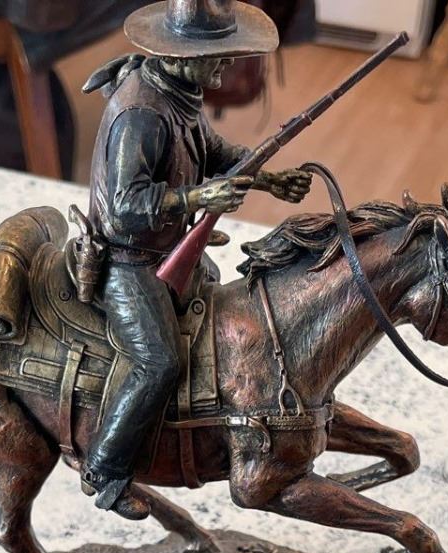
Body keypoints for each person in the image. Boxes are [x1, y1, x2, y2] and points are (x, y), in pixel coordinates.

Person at [80, 0, 313, 513]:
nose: (227, 63)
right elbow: (124, 206)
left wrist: (268, 178)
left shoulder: (177, 93)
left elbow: (212, 151)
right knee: (158, 362)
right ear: (179, 56)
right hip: (129, 260)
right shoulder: (141, 113)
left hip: (164, 248)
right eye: (217, 54)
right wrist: (196, 198)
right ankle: (105, 468)